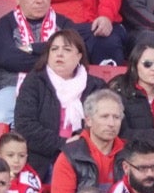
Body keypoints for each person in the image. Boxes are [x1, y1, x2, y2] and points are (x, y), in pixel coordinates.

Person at [14, 29, 102, 173]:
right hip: (42, 159)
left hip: (85, 156)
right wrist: (63, 144)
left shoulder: (96, 86)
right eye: (54, 49)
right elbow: (24, 125)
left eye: (67, 49)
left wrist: (79, 143)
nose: (59, 54)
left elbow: (102, 124)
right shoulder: (34, 81)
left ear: (79, 56)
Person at [49, 90, 127, 193]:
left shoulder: (130, 155)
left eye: (116, 117)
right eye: (104, 116)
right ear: (88, 120)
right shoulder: (69, 155)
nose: (111, 124)